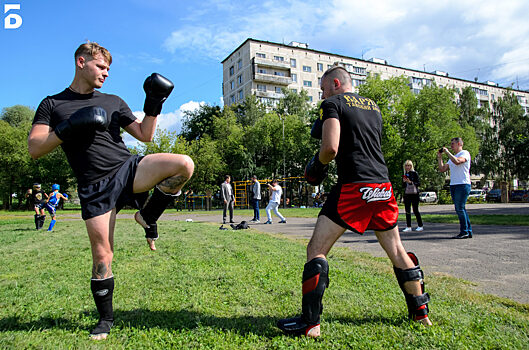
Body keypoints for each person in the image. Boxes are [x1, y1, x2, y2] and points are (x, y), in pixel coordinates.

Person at [27, 42, 194, 340]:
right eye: (101, 67)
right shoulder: (52, 104)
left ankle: (148, 215)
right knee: (103, 256)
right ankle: (105, 319)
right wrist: (68, 127)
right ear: (81, 62)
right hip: (94, 185)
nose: (106, 73)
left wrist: (154, 102)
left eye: (108, 69)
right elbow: (35, 148)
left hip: (126, 168)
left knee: (183, 164)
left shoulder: (113, 100)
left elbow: (145, 135)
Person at [278, 66, 431, 338]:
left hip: (354, 186)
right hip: (382, 186)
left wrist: (317, 164)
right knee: (397, 250)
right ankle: (422, 315)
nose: (322, 94)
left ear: (336, 83)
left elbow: (330, 148)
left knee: (316, 249)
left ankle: (310, 324)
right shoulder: (373, 106)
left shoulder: (332, 103)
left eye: (324, 88)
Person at [437, 137, 472, 239]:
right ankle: (468, 231)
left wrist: (447, 152)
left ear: (459, 144)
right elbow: (442, 169)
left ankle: (464, 231)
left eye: (453, 144)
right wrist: (440, 158)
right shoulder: (452, 157)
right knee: (461, 209)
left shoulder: (464, 153)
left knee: (459, 208)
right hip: (454, 184)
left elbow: (457, 161)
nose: (451, 146)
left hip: (463, 184)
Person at [402, 160, 424, 232]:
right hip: (407, 194)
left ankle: (420, 225)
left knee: (415, 210)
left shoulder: (414, 173)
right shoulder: (404, 174)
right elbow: (403, 186)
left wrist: (410, 182)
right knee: (407, 210)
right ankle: (408, 226)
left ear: (411, 166)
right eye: (406, 165)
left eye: (409, 165)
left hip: (414, 194)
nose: (407, 167)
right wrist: (404, 181)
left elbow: (418, 183)